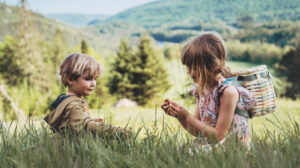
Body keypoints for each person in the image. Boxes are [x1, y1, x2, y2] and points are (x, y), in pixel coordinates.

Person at [161, 32, 255, 151]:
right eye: (187, 67)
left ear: (213, 65)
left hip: (232, 146)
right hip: (212, 142)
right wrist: (181, 117)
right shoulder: (201, 90)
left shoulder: (228, 92)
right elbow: (196, 131)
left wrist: (187, 116)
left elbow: (219, 135)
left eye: (194, 68)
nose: (189, 72)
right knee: (180, 151)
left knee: (191, 154)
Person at [44, 53, 130, 138]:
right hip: (71, 150)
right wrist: (119, 132)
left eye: (95, 79)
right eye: (88, 79)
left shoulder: (68, 100)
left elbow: (75, 125)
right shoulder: (73, 106)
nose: (93, 84)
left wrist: (92, 121)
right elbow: (87, 126)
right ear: (70, 79)